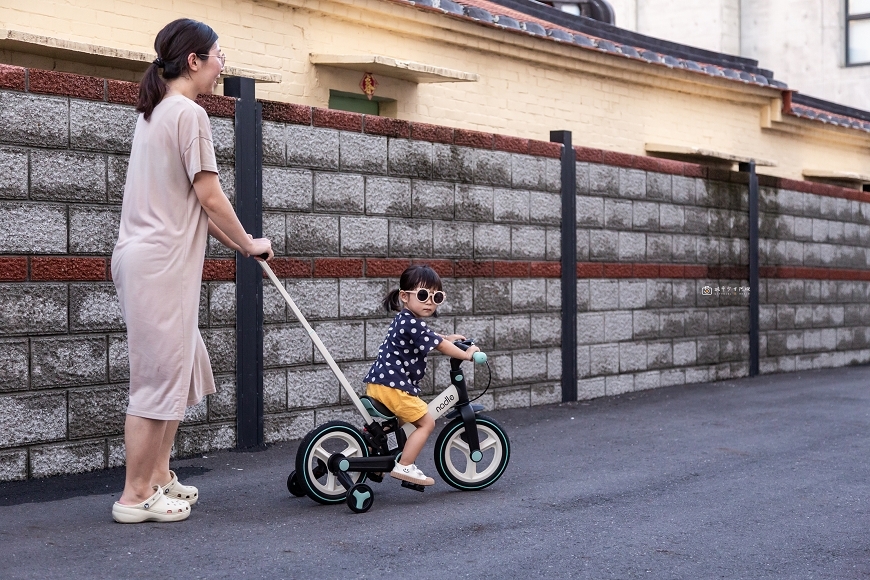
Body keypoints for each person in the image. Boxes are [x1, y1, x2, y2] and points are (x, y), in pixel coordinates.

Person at [110, 19, 273, 523]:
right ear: (194, 61)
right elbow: (210, 196)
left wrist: (244, 248)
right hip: (160, 264)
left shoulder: (156, 111)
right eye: (219, 55)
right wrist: (248, 239)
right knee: (158, 379)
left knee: (182, 367)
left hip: (149, 259)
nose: (224, 64)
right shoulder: (188, 114)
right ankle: (134, 497)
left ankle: (157, 476)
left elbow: (196, 208)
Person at [363, 265, 479, 486]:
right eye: (424, 295)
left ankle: (373, 447)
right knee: (426, 423)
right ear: (404, 297)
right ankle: (405, 466)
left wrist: (447, 337)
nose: (430, 301)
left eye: (436, 297)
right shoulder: (412, 323)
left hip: (381, 384)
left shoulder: (405, 320)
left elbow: (433, 338)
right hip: (393, 387)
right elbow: (441, 347)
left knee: (403, 422)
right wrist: (466, 354)